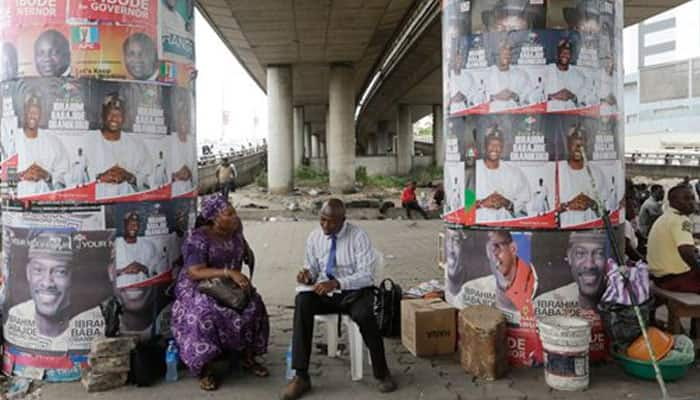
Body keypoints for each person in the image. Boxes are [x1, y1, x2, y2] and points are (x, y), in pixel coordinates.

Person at [281, 199, 395, 400]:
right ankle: (301, 376)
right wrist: (308, 276)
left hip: (355, 291)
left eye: (331, 222)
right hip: (326, 291)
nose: (325, 225)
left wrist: (337, 283)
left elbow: (367, 276)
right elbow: (313, 267)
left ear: (343, 220)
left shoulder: (358, 236)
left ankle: (382, 372)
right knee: (302, 302)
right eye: (322, 220)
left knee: (364, 315)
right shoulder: (315, 237)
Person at [171, 194, 268, 391]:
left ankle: (247, 357)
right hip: (199, 284)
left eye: (234, 212)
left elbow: (242, 243)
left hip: (228, 286)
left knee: (253, 304)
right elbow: (194, 271)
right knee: (204, 312)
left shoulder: (235, 230)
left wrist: (247, 252)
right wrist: (228, 272)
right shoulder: (198, 237)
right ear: (214, 218)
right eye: (229, 214)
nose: (235, 217)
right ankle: (205, 368)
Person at [5, 231, 103, 350]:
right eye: (38, 270)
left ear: (72, 277)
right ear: (28, 273)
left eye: (60, 272)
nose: (47, 283)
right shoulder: (15, 315)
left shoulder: (96, 321)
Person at [111, 212, 167, 335]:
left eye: (136, 225)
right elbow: (110, 271)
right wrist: (125, 270)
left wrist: (143, 268)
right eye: (130, 224)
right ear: (124, 225)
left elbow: (156, 271)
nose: (134, 228)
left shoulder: (148, 246)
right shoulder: (116, 244)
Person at [90, 94, 152, 198]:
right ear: (103, 114)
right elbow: (73, 180)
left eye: (119, 114)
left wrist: (129, 176)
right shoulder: (89, 140)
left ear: (125, 117)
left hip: (127, 204)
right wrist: (99, 178)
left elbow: (149, 181)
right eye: (110, 113)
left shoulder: (136, 145)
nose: (114, 118)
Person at [647, 185, 700, 294]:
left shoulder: (665, 217)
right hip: (675, 279)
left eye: (692, 198)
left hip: (659, 277)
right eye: (686, 199)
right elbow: (686, 252)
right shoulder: (681, 220)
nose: (691, 202)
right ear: (673, 201)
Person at [16, 95, 69, 196]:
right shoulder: (11, 140)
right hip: (17, 205)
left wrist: (47, 176)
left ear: (42, 114)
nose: (32, 115)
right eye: (29, 110)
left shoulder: (53, 142)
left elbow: (65, 183)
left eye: (36, 111)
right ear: (24, 112)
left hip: (45, 205)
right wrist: (22, 176)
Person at [557, 125, 609, 227]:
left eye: (582, 145)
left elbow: (605, 212)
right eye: (575, 144)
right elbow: (547, 211)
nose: (579, 149)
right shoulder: (558, 170)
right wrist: (568, 205)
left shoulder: (596, 172)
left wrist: (591, 203)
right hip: (563, 233)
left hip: (591, 232)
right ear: (567, 144)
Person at [475, 126, 530, 222]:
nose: (494, 149)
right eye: (491, 144)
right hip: (478, 228)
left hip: (506, 228)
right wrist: (482, 203)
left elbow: (525, 202)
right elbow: (464, 205)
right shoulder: (473, 171)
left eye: (498, 145)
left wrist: (506, 203)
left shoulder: (514, 172)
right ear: (485, 146)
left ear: (503, 147)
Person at [485, 231, 537, 319]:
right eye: (490, 248)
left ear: (513, 248)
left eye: (497, 246)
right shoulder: (482, 287)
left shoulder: (534, 283)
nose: (493, 254)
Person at [486, 40, 529, 112]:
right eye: (503, 52)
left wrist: (514, 95)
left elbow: (527, 95)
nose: (506, 56)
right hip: (494, 113)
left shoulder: (520, 74)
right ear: (497, 55)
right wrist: (495, 97)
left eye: (509, 53)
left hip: (515, 113)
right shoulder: (488, 73)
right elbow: (480, 96)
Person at [545, 40, 586, 112]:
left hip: (571, 116)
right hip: (551, 115)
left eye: (568, 53)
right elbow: (537, 96)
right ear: (558, 54)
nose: (565, 55)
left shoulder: (578, 75)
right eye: (562, 52)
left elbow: (584, 101)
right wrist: (553, 96)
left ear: (571, 55)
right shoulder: (547, 71)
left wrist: (572, 96)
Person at [170, 95, 196, 196]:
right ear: (176, 122)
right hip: (172, 190)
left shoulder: (192, 141)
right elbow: (158, 169)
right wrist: (175, 176)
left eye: (186, 120)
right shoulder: (170, 140)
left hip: (188, 189)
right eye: (181, 120)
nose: (184, 123)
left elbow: (194, 171)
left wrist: (189, 175)